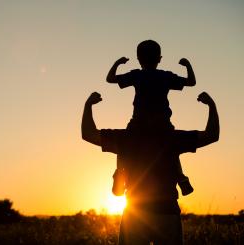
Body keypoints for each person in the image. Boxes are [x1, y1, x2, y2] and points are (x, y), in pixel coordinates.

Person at [81, 91, 219, 244]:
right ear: (165, 112)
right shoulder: (172, 137)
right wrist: (211, 105)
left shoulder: (125, 138)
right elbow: (211, 135)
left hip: (135, 214)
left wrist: (88, 105)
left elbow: (88, 134)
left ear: (137, 111)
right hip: (167, 212)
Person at [106, 40, 196, 196]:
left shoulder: (137, 75)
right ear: (160, 58)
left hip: (139, 123)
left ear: (138, 58)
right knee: (171, 149)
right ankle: (180, 177)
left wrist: (118, 63)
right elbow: (191, 82)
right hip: (162, 123)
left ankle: (120, 173)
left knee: (122, 144)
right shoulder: (165, 76)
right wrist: (187, 65)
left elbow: (110, 79)